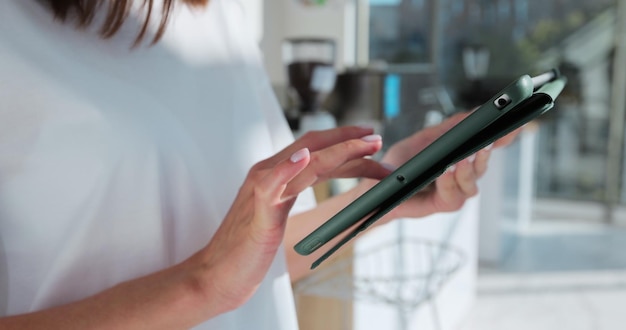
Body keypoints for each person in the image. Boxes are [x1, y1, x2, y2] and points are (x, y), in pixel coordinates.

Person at [0, 0, 517, 329]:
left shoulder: (213, 15)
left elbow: (255, 261)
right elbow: (221, 276)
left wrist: (388, 192)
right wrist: (201, 284)